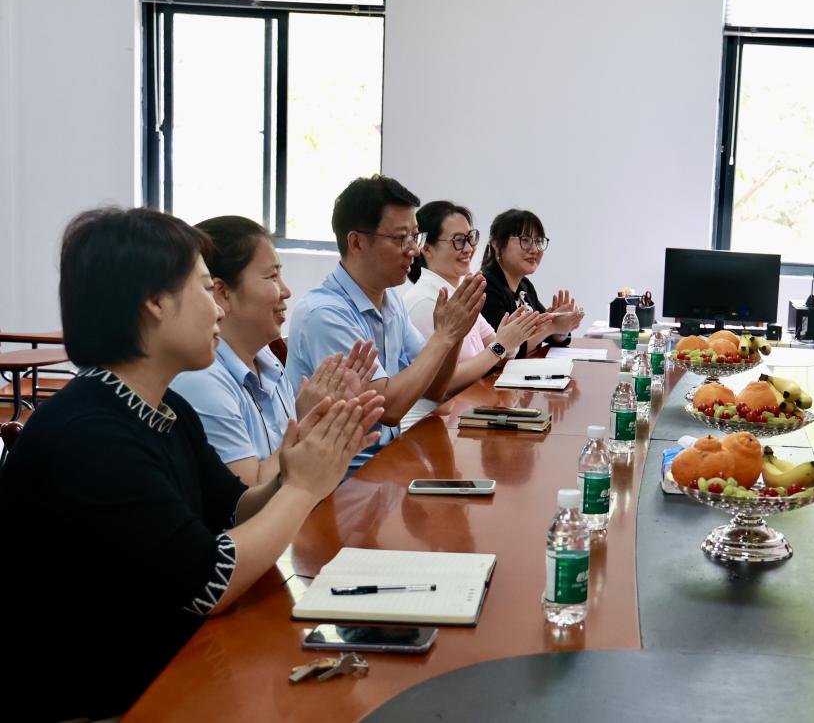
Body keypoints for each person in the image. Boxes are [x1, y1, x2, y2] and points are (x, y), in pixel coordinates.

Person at [0, 208, 383, 720]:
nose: (218, 309)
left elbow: (233, 510)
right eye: (205, 289)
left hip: (162, 669)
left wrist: (296, 468)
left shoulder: (166, 408)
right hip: (95, 703)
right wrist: (302, 490)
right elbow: (210, 583)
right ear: (155, 302)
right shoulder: (90, 435)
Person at [172, 215, 380, 485]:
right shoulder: (201, 380)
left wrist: (327, 416)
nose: (286, 291)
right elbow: (245, 496)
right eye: (272, 276)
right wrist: (308, 423)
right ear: (222, 293)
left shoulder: (266, 358)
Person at [286, 176, 486, 455]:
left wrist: (454, 336)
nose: (414, 249)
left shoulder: (391, 300)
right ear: (356, 243)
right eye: (401, 238)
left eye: (414, 236)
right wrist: (444, 337)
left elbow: (436, 389)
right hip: (347, 472)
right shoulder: (325, 314)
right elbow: (387, 409)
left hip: (389, 456)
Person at [402, 201, 552, 422]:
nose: (469, 249)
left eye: (470, 238)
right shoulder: (426, 302)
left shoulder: (458, 294)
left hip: (468, 411)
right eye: (458, 241)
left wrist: (509, 339)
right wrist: (501, 346)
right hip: (434, 423)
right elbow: (441, 386)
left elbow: (499, 349)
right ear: (426, 248)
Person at [479, 208, 584, 358]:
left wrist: (558, 325)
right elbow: (505, 351)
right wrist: (552, 326)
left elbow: (545, 335)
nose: (535, 249)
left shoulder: (525, 285)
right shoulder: (486, 288)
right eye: (525, 240)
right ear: (496, 244)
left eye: (539, 241)